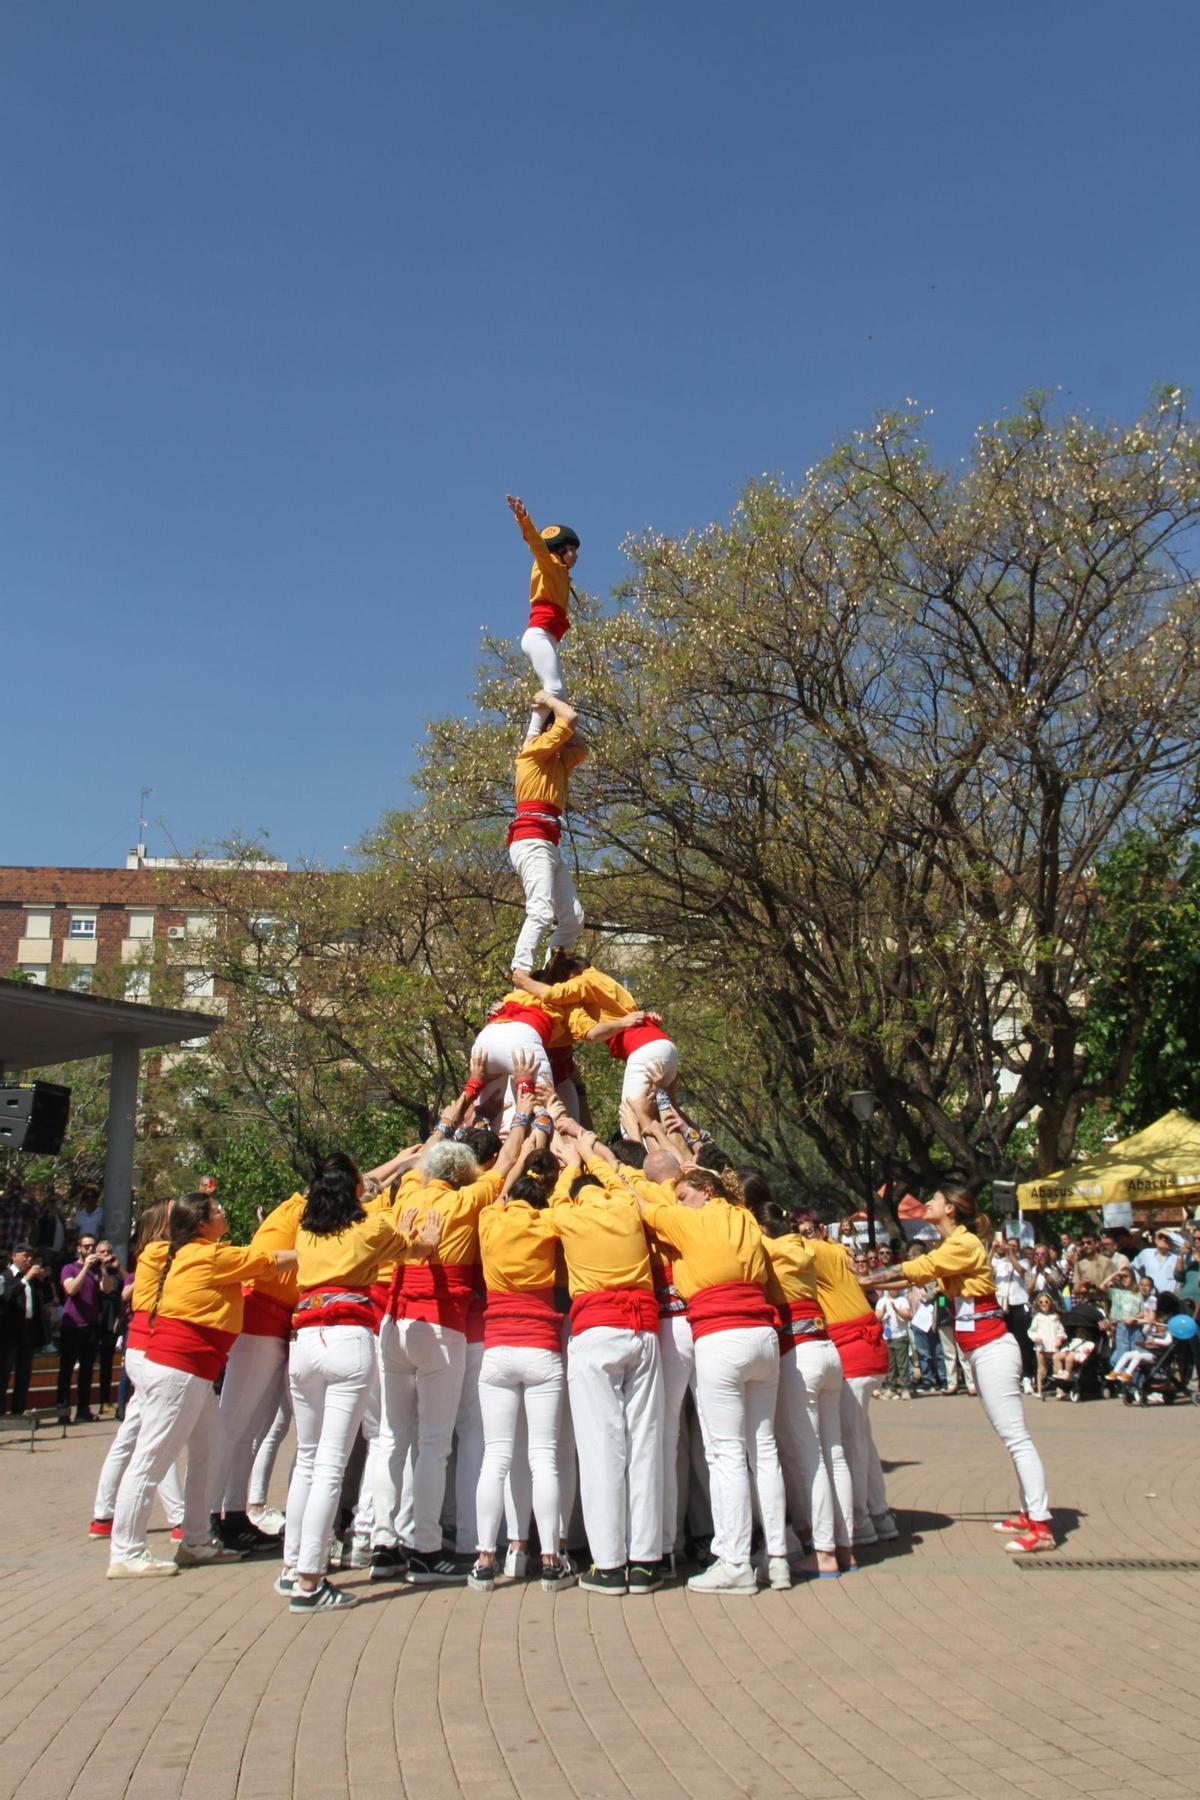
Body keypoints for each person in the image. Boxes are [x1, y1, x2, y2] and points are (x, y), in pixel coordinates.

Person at [373, 1070, 533, 1583]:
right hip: (439, 1327)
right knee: (437, 1440)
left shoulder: (407, 1197)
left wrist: (462, 1099)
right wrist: (526, 1117)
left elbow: (429, 1153)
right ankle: (424, 1547)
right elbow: (504, 1162)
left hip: (393, 1326)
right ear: (464, 1172)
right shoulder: (466, 1202)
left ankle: (381, 1540)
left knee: (393, 1438)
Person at [107, 1193, 296, 1578]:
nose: (224, 1212)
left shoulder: (185, 1253)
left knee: (212, 1447)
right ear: (200, 1224)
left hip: (194, 1371)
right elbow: (269, 1260)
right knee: (151, 1459)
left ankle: (196, 1540)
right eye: (216, 1211)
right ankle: (126, 1550)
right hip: (180, 1369)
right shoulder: (207, 1256)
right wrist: (321, 1248)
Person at [626, 1159, 788, 1595]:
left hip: (721, 1336)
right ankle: (776, 1556)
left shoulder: (689, 1223)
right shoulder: (747, 1220)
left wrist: (618, 1175)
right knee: (764, 1447)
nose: (680, 1202)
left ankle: (734, 1560)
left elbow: (643, 1206)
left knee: (725, 1453)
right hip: (763, 1335)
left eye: (685, 1195)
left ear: (706, 1192)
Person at [281, 1153, 434, 1612]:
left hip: (303, 1339)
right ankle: (311, 1580)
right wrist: (417, 1234)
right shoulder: (369, 1229)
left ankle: (293, 1568)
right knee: (331, 1461)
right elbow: (412, 1247)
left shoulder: (305, 1233)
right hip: (347, 1338)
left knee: (307, 1458)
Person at [874, 1182, 1054, 1554]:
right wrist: (865, 1281)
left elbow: (914, 1268)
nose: (928, 1200)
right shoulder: (952, 1245)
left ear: (951, 1209)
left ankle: (1042, 1525)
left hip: (993, 1348)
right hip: (980, 1350)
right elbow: (916, 1275)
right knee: (1011, 1437)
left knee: (1016, 1438)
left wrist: (861, 1279)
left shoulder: (963, 1244)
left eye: (935, 1198)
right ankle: (1027, 1511)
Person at [540, 1121, 664, 1596]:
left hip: (595, 1336)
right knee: (646, 1442)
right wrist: (589, 1151)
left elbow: (557, 1198)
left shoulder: (566, 1215)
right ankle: (646, 1560)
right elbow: (617, 1175)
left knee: (601, 1447)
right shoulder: (628, 1209)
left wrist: (568, 1166)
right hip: (642, 1332)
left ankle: (609, 1563)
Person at [469, 1138, 575, 1593]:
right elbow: (561, 1197)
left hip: (497, 1349)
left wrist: (522, 1146)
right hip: (542, 1348)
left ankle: (487, 1560)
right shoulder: (551, 1223)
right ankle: (551, 1560)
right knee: (544, 1459)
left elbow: (498, 1190)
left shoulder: (490, 1219)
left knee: (495, 1457)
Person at [754, 1194, 854, 1578]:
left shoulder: (770, 1249)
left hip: (798, 1352)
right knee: (835, 1452)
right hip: (827, 1348)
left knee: (809, 1455)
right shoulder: (804, 1246)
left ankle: (824, 1551)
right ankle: (845, 1546)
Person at [799, 1212, 897, 1547]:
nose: (802, 1236)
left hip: (854, 1349)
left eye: (807, 1230)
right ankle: (879, 1514)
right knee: (862, 1437)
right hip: (862, 1348)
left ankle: (860, 1519)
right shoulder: (835, 1252)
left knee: (851, 1440)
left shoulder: (819, 1252)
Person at [90, 1203, 185, 1539]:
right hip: (148, 1348)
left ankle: (103, 1515)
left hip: (141, 1348)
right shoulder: (161, 1253)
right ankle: (180, 1518)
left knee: (133, 1431)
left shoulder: (151, 1254)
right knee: (159, 1434)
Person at [507, 692, 587, 973]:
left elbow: (580, 746)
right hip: (531, 839)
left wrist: (552, 705)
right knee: (540, 910)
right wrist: (550, 701)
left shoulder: (555, 760)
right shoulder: (534, 751)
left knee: (574, 918)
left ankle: (552, 972)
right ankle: (521, 971)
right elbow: (570, 718)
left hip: (547, 841)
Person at [506, 494, 580, 738]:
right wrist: (523, 519)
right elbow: (537, 544)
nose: (575, 555)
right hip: (537, 636)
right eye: (571, 550)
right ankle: (532, 739)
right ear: (559, 551)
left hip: (547, 638)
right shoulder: (548, 564)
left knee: (561, 697)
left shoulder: (561, 574)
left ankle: (548, 738)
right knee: (555, 690)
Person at [57, 1231, 112, 1421]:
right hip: (72, 1324)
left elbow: (107, 1289)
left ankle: (83, 1409)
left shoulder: (96, 1270)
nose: (90, 1249)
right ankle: (62, 1411)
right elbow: (71, 1289)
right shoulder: (69, 1268)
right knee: (67, 1368)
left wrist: (104, 1268)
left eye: (92, 1246)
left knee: (87, 1369)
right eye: (86, 1246)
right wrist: (85, 1268)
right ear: (78, 1249)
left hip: (91, 1324)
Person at [1, 1244, 49, 1414]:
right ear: (14, 1256)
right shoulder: (5, 1276)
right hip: (9, 1332)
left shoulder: (32, 1279)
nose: (29, 1259)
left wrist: (42, 1280)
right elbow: (7, 1297)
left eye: (31, 1256)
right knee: (4, 1372)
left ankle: (18, 1409)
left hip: (27, 1331)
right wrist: (26, 1279)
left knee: (24, 1373)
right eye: (25, 1255)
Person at [94, 1240, 124, 1411]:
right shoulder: (93, 1270)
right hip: (96, 1315)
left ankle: (104, 1401)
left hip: (112, 1319)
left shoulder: (115, 1271)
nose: (106, 1254)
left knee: (107, 1361)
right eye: (102, 1251)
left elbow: (129, 1283)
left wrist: (118, 1267)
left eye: (108, 1251)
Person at [1028, 1293, 1066, 1397]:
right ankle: (1040, 1389)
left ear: (1051, 1303)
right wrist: (1036, 1338)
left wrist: (1060, 1338)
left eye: (1046, 1302)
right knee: (1042, 1369)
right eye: (1041, 1302)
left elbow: (1061, 1331)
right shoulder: (1037, 1318)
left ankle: (1060, 1390)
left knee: (1057, 1367)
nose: (1044, 1304)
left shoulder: (1055, 1317)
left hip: (1054, 1345)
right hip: (1042, 1346)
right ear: (1038, 1305)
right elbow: (1031, 1331)